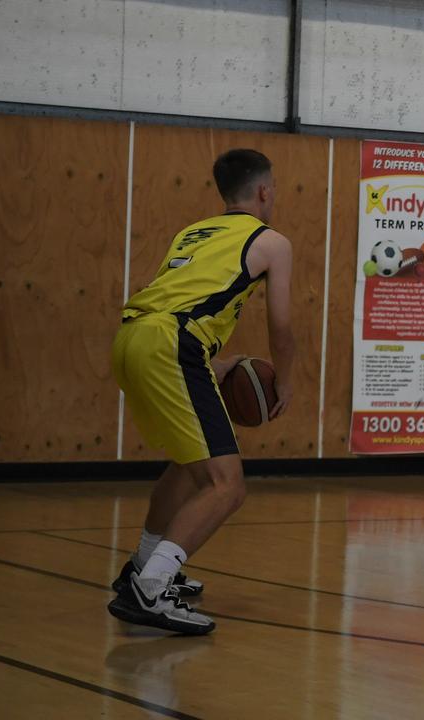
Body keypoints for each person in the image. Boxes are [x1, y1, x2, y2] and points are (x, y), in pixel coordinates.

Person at [106, 148, 295, 634]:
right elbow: (281, 325)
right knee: (226, 485)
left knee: (191, 468)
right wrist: (287, 378)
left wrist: (211, 360)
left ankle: (141, 570)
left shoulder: (192, 232)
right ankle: (152, 590)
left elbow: (177, 301)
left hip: (134, 338)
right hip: (173, 346)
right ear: (264, 191)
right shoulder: (272, 241)